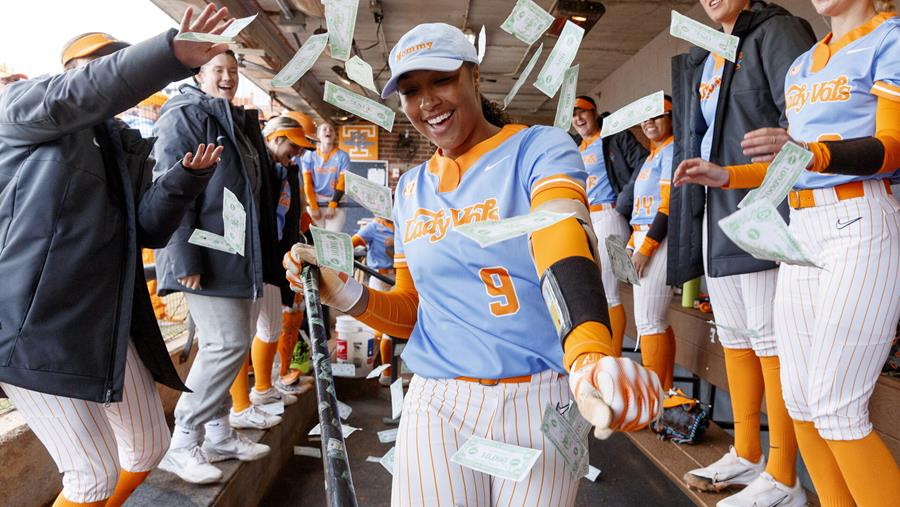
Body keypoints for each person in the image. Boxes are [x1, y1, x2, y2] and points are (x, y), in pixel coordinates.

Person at [285, 23, 663, 506]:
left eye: (440, 81)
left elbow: (559, 236)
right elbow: (410, 309)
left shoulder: (538, 147)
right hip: (440, 400)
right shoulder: (411, 188)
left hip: (542, 397)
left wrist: (589, 352)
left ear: (474, 76)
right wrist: (339, 291)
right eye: (410, 91)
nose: (427, 103)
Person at [0, 6, 231, 505]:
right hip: (33, 323)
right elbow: (82, 93)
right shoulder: (25, 105)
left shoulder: (123, 144)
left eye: (115, 60)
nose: (106, 70)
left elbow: (148, 227)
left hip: (104, 317)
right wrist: (166, 53)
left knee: (150, 446)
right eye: (96, 62)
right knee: (91, 474)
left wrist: (183, 182)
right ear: (66, 73)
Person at [673, 2, 900, 504]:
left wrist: (813, 153)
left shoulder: (890, 38)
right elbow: (788, 162)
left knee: (837, 406)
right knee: (799, 401)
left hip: (857, 220)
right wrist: (729, 175)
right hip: (804, 223)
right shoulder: (804, 62)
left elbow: (893, 146)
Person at [668, 2, 816, 505]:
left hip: (765, 209)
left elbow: (807, 116)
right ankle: (749, 453)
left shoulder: (777, 31)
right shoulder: (704, 53)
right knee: (735, 338)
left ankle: (784, 478)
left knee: (772, 344)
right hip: (716, 211)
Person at [152, 48, 285, 483]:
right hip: (203, 253)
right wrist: (184, 255)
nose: (227, 77)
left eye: (232, 70)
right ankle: (183, 440)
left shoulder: (230, 119)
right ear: (199, 73)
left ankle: (219, 432)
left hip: (235, 254)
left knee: (235, 342)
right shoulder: (184, 116)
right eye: (218, 70)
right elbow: (170, 185)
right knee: (225, 344)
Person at [227, 115, 316, 430]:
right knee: (241, 336)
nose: (298, 154)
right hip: (251, 261)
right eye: (294, 146)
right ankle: (240, 406)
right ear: (277, 138)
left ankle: (262, 390)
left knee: (271, 327)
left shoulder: (287, 169)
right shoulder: (254, 162)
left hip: (276, 260)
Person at [572, 95, 648, 356]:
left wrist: (624, 200)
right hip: (584, 219)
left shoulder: (614, 137)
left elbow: (643, 163)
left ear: (595, 113)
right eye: (574, 115)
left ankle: (612, 357)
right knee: (593, 292)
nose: (579, 118)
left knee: (609, 293)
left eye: (583, 112)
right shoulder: (576, 147)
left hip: (609, 217)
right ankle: (602, 353)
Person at [626, 97, 677, 393]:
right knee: (654, 319)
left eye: (658, 116)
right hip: (644, 235)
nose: (650, 121)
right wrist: (634, 244)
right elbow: (640, 209)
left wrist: (646, 247)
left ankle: (653, 397)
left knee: (648, 322)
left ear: (671, 119)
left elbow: (668, 206)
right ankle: (664, 391)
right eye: (645, 117)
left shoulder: (670, 150)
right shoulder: (651, 155)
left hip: (659, 238)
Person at [351, 217, 397, 385]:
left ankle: (392, 370)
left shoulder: (404, 223)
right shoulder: (374, 227)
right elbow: (352, 243)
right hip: (380, 276)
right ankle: (387, 372)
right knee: (386, 326)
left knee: (394, 326)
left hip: (401, 278)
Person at [301, 121, 350, 231]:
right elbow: (307, 183)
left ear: (335, 136)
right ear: (318, 135)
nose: (328, 131)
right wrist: (313, 207)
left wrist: (333, 205)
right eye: (325, 129)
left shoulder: (343, 156)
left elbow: (342, 183)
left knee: (332, 237)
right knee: (316, 238)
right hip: (316, 199)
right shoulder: (309, 155)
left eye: (331, 129)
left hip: (337, 200)